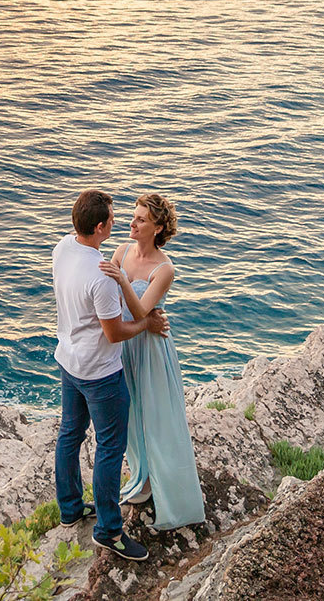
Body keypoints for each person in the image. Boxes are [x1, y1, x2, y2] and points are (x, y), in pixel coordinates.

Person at [53, 188, 167, 562]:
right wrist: (147, 324)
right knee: (110, 448)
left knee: (70, 434)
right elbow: (115, 333)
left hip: (68, 360)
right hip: (100, 373)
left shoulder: (62, 249)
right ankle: (108, 531)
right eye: (116, 220)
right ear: (100, 227)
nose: (121, 224)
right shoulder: (101, 276)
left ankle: (70, 509)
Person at [100, 194, 205, 530]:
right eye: (133, 217)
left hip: (150, 347)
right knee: (129, 415)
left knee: (157, 417)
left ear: (157, 228)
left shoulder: (165, 268)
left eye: (141, 220)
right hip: (125, 344)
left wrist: (121, 279)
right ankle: (142, 478)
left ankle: (169, 490)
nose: (132, 223)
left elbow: (143, 310)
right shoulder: (120, 252)